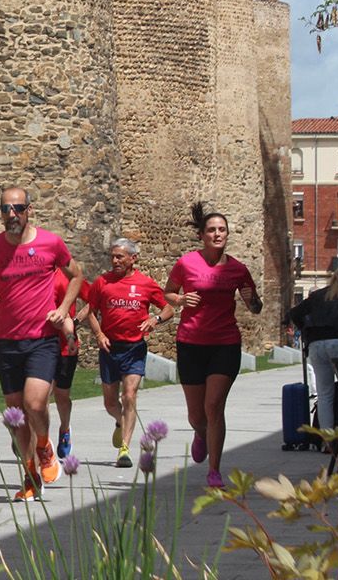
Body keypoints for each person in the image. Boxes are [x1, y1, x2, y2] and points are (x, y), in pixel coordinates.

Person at [0, 186, 84, 502]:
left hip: (42, 340)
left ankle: (45, 445)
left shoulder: (50, 243)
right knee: (17, 415)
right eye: (6, 209)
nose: (12, 215)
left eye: (18, 208)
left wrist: (63, 310)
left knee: (35, 404)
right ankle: (30, 477)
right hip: (8, 341)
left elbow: (76, 275)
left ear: (29, 210)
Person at [164, 202, 263, 490]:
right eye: (212, 230)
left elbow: (255, 307)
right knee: (196, 415)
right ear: (202, 236)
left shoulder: (238, 269)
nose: (217, 234)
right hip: (191, 343)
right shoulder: (186, 264)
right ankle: (199, 434)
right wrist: (181, 301)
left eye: (222, 230)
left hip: (225, 343)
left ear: (227, 234)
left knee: (214, 405)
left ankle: (214, 470)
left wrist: (252, 299)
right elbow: (168, 293)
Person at [85, 237, 172, 468]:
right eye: (112, 256)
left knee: (130, 395)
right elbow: (90, 311)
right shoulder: (102, 282)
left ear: (133, 258)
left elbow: (168, 308)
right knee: (111, 404)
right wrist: (99, 334)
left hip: (134, 348)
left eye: (119, 256)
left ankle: (124, 449)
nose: (114, 261)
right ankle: (119, 421)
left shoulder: (145, 283)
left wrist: (155, 319)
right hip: (109, 347)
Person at [287, 267, 338, 438]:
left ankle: (327, 440)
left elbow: (294, 313)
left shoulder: (317, 295)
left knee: (324, 395)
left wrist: (306, 330)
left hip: (316, 345)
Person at [49, 267, 86, 461]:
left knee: (61, 396)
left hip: (65, 344)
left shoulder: (68, 277)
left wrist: (76, 320)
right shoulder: (31, 273)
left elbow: (92, 300)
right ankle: (39, 439)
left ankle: (64, 428)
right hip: (38, 342)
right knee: (39, 395)